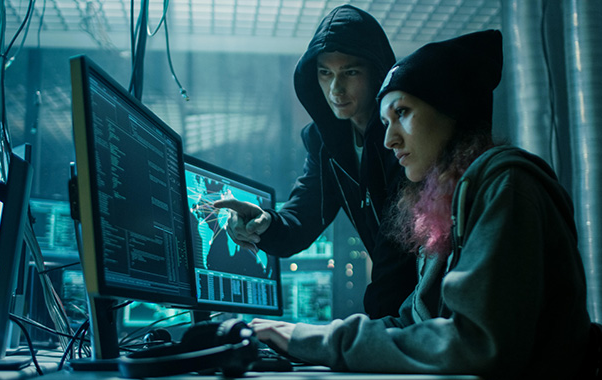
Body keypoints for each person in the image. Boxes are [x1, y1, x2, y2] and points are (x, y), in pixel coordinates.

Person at [247, 30, 600, 379]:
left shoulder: (504, 186)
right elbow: (413, 321)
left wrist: (321, 342)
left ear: (451, 109)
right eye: (385, 122)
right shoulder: (452, 202)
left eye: (402, 112)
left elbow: (475, 344)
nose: (388, 139)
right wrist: (304, 337)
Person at [214, 4, 416, 319]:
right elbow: (301, 220)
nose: (336, 89)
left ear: (377, 73)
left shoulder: (406, 133)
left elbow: (400, 252)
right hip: (396, 315)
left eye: (350, 72)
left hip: (434, 305)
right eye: (325, 73)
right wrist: (265, 223)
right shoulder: (325, 144)